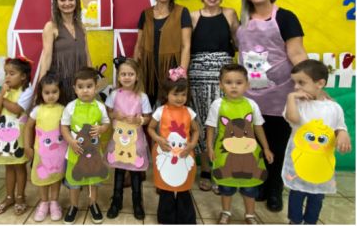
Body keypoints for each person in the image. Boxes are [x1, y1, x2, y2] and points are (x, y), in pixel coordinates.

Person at [237, 0, 308, 212]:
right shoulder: (242, 19)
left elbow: (296, 52)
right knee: (256, 143)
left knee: (277, 145)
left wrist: (308, 82)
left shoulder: (286, 17)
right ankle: (262, 183)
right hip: (250, 95)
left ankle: (275, 189)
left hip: (279, 94)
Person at [282, 59, 352, 225]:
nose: (296, 87)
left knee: (317, 195)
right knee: (297, 192)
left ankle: (311, 221)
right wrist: (291, 97)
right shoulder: (297, 104)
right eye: (294, 83)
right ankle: (295, 220)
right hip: (300, 161)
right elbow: (293, 118)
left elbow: (340, 126)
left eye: (301, 83)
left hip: (320, 162)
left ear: (320, 83)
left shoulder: (333, 107)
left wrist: (343, 134)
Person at [206, 63, 274, 225]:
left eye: (239, 82)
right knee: (226, 186)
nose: (234, 86)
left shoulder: (251, 105)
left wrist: (266, 148)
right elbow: (211, 127)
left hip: (249, 153)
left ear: (247, 85)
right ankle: (226, 212)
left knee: (249, 187)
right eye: (228, 82)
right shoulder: (218, 104)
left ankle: (250, 215)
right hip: (225, 154)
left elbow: (258, 127)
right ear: (221, 85)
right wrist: (209, 147)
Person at [189, 0, 239, 192]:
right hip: (198, 75)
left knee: (223, 122)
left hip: (224, 76)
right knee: (201, 121)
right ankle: (206, 169)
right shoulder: (193, 16)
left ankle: (221, 168)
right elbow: (186, 46)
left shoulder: (230, 14)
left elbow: (239, 42)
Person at [133, 0, 191, 106]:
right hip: (149, 73)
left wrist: (181, 74)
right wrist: (134, 72)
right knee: (147, 110)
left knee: (171, 111)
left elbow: (186, 45)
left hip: (172, 71)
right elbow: (138, 45)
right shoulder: (145, 14)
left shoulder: (182, 12)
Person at [147, 67, 198, 224]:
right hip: (166, 153)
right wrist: (158, 139)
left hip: (184, 154)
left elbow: (196, 130)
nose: (180, 98)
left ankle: (186, 218)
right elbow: (150, 128)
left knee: (183, 187)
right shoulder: (160, 111)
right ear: (166, 94)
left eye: (183, 94)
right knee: (166, 187)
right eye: (175, 94)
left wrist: (192, 144)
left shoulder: (189, 112)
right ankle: (166, 218)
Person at [61, 67, 111, 225]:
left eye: (89, 86)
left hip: (94, 151)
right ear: (74, 89)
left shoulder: (100, 106)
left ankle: (93, 204)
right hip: (76, 150)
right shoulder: (70, 107)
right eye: (80, 87)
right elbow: (64, 127)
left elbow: (106, 123)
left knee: (93, 180)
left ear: (96, 87)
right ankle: (73, 206)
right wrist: (71, 141)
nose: (85, 90)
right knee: (74, 181)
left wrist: (102, 129)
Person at [105, 57, 152, 220]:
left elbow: (148, 118)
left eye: (130, 74)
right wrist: (114, 115)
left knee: (135, 173)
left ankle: (137, 202)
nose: (126, 77)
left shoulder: (142, 96)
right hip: (119, 140)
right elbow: (108, 112)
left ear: (137, 76)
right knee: (119, 170)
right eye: (123, 74)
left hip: (135, 141)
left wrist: (139, 120)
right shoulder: (114, 94)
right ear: (118, 77)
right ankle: (116, 201)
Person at [0, 57, 33, 215]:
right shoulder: (4, 91)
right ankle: (9, 197)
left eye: (12, 73)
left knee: (19, 166)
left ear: (23, 76)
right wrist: (1, 94)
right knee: (8, 166)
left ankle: (20, 197)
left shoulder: (27, 91)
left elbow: (17, 109)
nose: (7, 77)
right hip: (3, 134)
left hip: (18, 135)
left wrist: (2, 99)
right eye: (6, 73)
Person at [24, 73, 67, 222]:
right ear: (41, 93)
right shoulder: (37, 110)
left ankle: (54, 202)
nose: (51, 96)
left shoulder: (63, 109)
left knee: (55, 177)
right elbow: (28, 127)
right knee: (43, 177)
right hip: (41, 153)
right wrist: (27, 146)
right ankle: (43, 202)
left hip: (59, 153)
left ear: (60, 92)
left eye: (54, 92)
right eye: (47, 92)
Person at [38, 0, 92, 101]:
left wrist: (92, 78)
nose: (67, 3)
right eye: (62, 0)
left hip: (80, 85)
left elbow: (87, 54)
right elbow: (46, 58)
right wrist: (41, 86)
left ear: (76, 1)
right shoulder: (51, 27)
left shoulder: (82, 27)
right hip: (60, 84)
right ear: (56, 3)